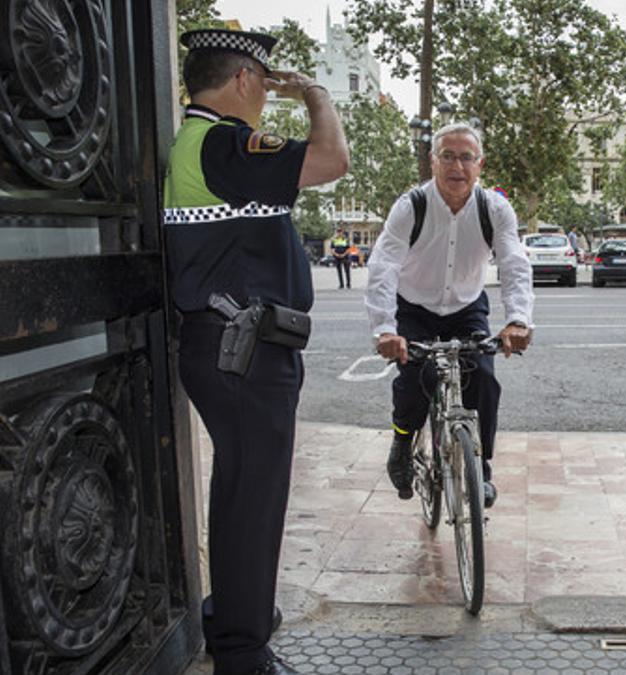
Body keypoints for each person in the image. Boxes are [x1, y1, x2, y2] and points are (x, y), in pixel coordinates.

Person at [163, 28, 349, 675]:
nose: (268, 101)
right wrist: (318, 96)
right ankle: (242, 653)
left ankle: (236, 614)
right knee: (254, 498)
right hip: (243, 350)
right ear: (243, 80)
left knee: (243, 490)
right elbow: (331, 161)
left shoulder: (196, 145)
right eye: (265, 87)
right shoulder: (223, 142)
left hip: (227, 346)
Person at [365, 122, 533, 508]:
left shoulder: (494, 208)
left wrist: (519, 319)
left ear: (480, 164)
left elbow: (514, 264)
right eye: (448, 156)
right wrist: (385, 330)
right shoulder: (411, 206)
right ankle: (402, 441)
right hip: (414, 305)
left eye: (466, 157)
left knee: (484, 380)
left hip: (466, 306)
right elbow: (383, 267)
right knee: (415, 379)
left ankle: (481, 468)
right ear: (432, 161)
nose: (457, 165)